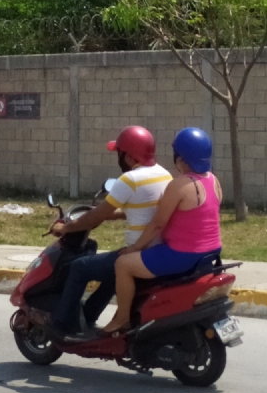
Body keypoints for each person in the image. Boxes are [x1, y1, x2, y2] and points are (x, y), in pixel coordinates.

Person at [46, 126, 173, 338]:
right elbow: (144, 207)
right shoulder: (163, 174)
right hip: (157, 250)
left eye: (119, 153)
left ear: (129, 155)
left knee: (78, 268)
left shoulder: (130, 180)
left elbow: (96, 216)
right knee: (111, 272)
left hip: (137, 254)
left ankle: (63, 325)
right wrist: (112, 214)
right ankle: (88, 316)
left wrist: (65, 227)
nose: (118, 158)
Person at [104, 127, 223, 334]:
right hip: (211, 253)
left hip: (181, 255)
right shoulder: (214, 180)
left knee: (123, 264)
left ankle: (123, 319)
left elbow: (158, 224)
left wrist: (135, 247)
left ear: (182, 159)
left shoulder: (179, 184)